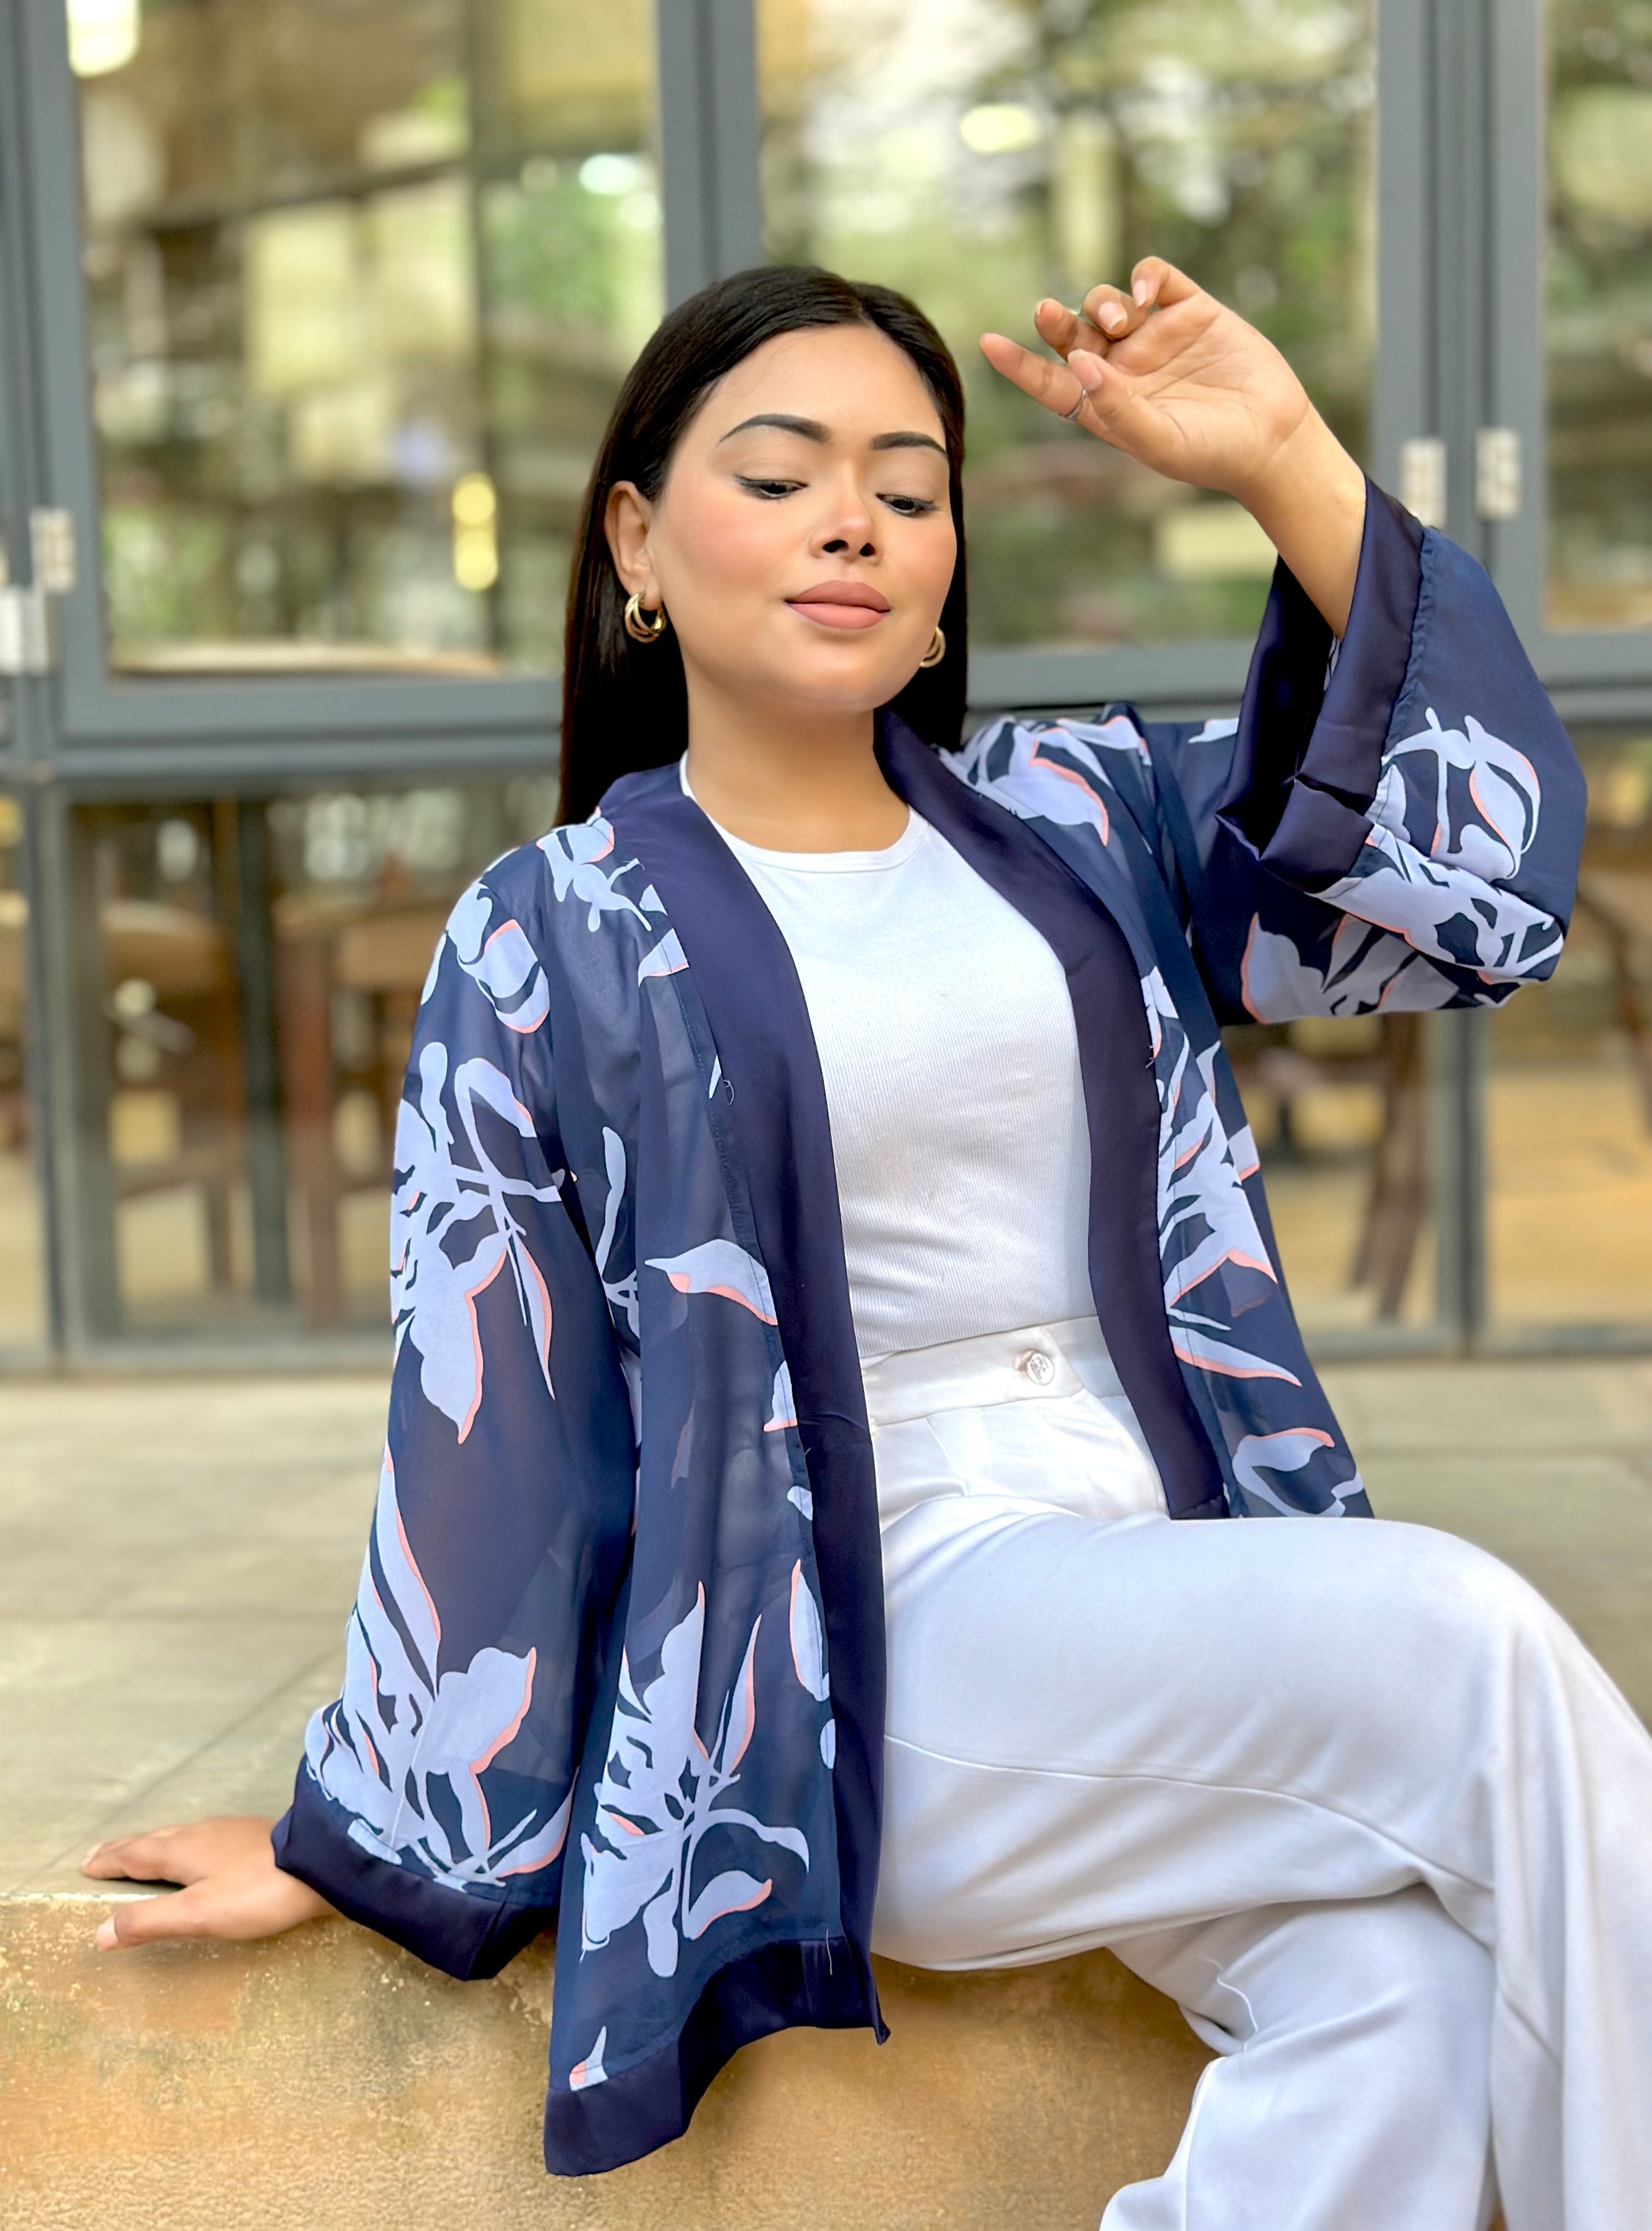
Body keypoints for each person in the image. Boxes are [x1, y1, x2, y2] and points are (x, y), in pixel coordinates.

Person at [84, 259, 1651, 2230]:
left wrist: (1282, 458)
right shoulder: (556, 931)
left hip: (1166, 1594)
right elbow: (490, 1402)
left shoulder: (1075, 820)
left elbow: (1471, 894)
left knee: (1404, 1999)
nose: (856, 522)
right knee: (1465, 1639)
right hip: (869, 1645)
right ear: (637, 542)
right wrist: (365, 1831)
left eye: (909, 490)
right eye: (783, 475)